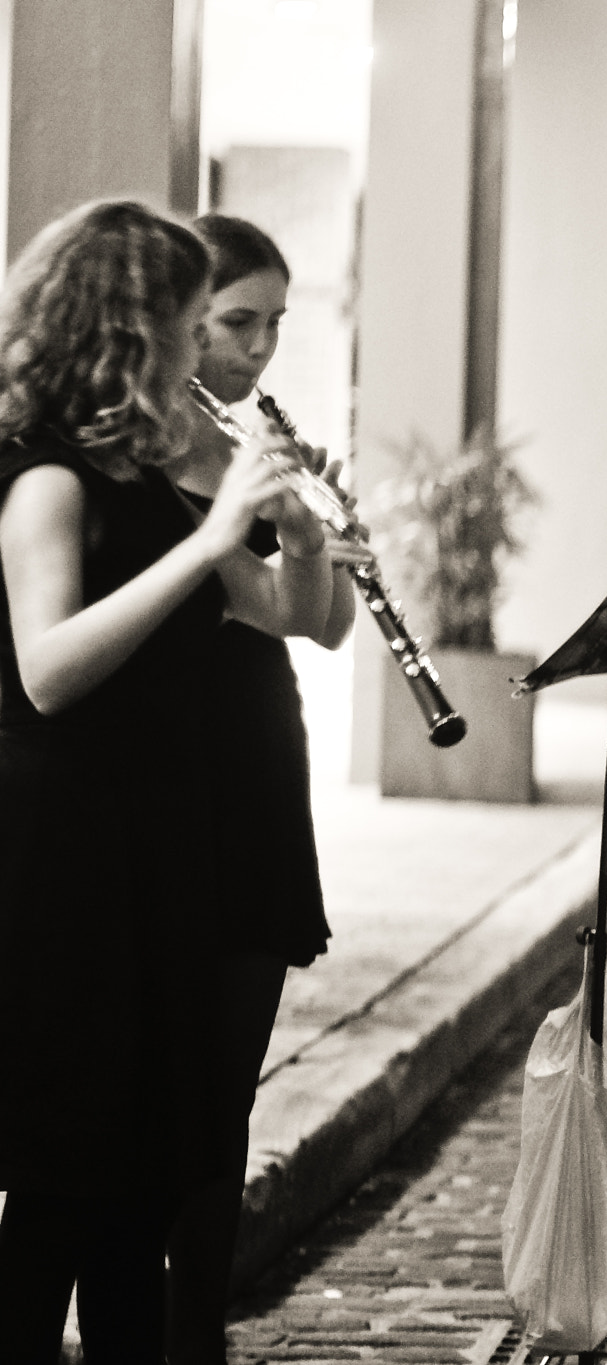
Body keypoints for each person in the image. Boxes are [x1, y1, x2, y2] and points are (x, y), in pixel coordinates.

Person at [0, 200, 334, 1361]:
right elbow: (46, 671)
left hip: (163, 869)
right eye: (200, 324)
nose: (218, 355)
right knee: (57, 1198)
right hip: (68, 879)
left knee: (140, 1198)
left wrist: (298, 529)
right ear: (132, 331)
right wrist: (208, 540)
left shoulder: (150, 482)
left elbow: (286, 613)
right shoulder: (44, 481)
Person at [159, 213, 356, 1365]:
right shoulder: (137, 454)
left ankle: (200, 1335)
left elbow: (320, 627)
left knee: (228, 1091)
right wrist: (256, 515)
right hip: (170, 786)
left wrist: (315, 532)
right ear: (181, 313)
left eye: (277, 324)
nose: (261, 349)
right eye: (239, 322)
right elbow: (233, 599)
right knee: (155, 1097)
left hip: (255, 770)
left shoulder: (249, 438)